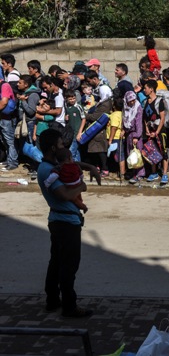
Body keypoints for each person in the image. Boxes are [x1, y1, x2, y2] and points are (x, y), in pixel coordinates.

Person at [37, 128, 100, 318]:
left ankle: (52, 301)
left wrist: (90, 167)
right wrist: (82, 186)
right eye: (60, 144)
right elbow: (64, 195)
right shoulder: (48, 171)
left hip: (59, 220)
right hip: (65, 222)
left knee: (56, 262)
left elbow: (68, 162)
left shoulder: (50, 166)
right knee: (68, 266)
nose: (63, 147)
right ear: (52, 148)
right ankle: (69, 306)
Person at [44, 148, 88, 213]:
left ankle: (83, 207)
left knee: (75, 199)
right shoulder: (75, 165)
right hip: (77, 184)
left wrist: (47, 183)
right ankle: (82, 206)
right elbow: (81, 173)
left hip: (68, 187)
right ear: (70, 158)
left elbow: (54, 176)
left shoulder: (60, 167)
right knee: (78, 197)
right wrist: (81, 180)